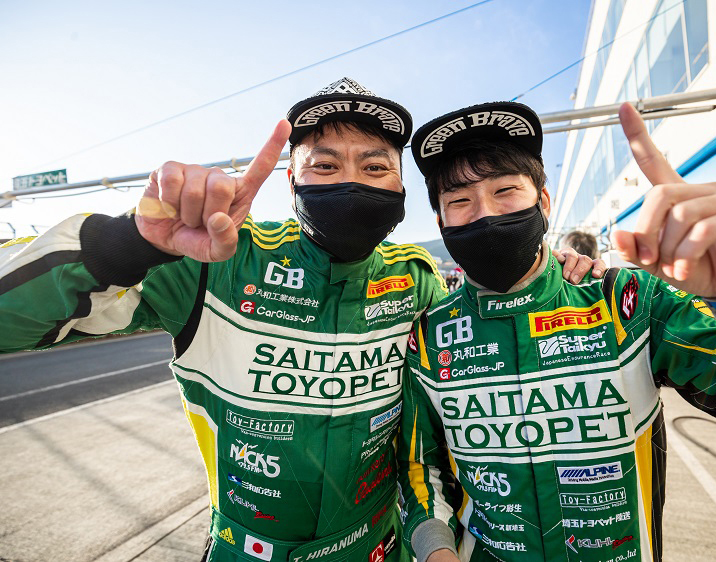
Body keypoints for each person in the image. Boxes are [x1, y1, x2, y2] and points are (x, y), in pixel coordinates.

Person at [0, 79, 601, 562]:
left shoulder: (418, 279)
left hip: (381, 547)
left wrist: (562, 273)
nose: (351, 181)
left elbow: (492, 332)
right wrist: (130, 242)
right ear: (290, 182)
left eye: (375, 168)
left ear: (401, 188)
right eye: (325, 166)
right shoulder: (214, 261)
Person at [398, 100, 716, 562]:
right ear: (441, 222)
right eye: (460, 201)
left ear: (543, 202)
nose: (485, 214)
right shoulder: (429, 334)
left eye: (505, 190)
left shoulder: (628, 301)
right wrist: (436, 550)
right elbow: (420, 466)